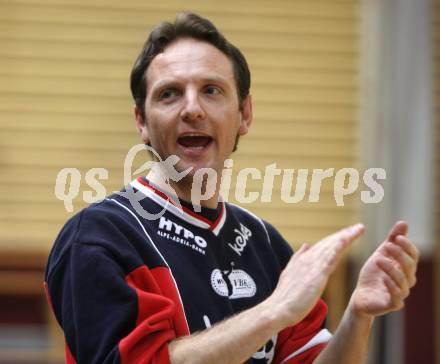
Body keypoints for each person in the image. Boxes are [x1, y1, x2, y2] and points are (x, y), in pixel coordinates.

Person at [44, 13, 419, 364]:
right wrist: (271, 313)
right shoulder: (99, 239)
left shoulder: (265, 244)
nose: (192, 108)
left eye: (211, 90)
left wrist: (358, 314)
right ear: (141, 120)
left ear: (245, 114)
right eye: (169, 94)